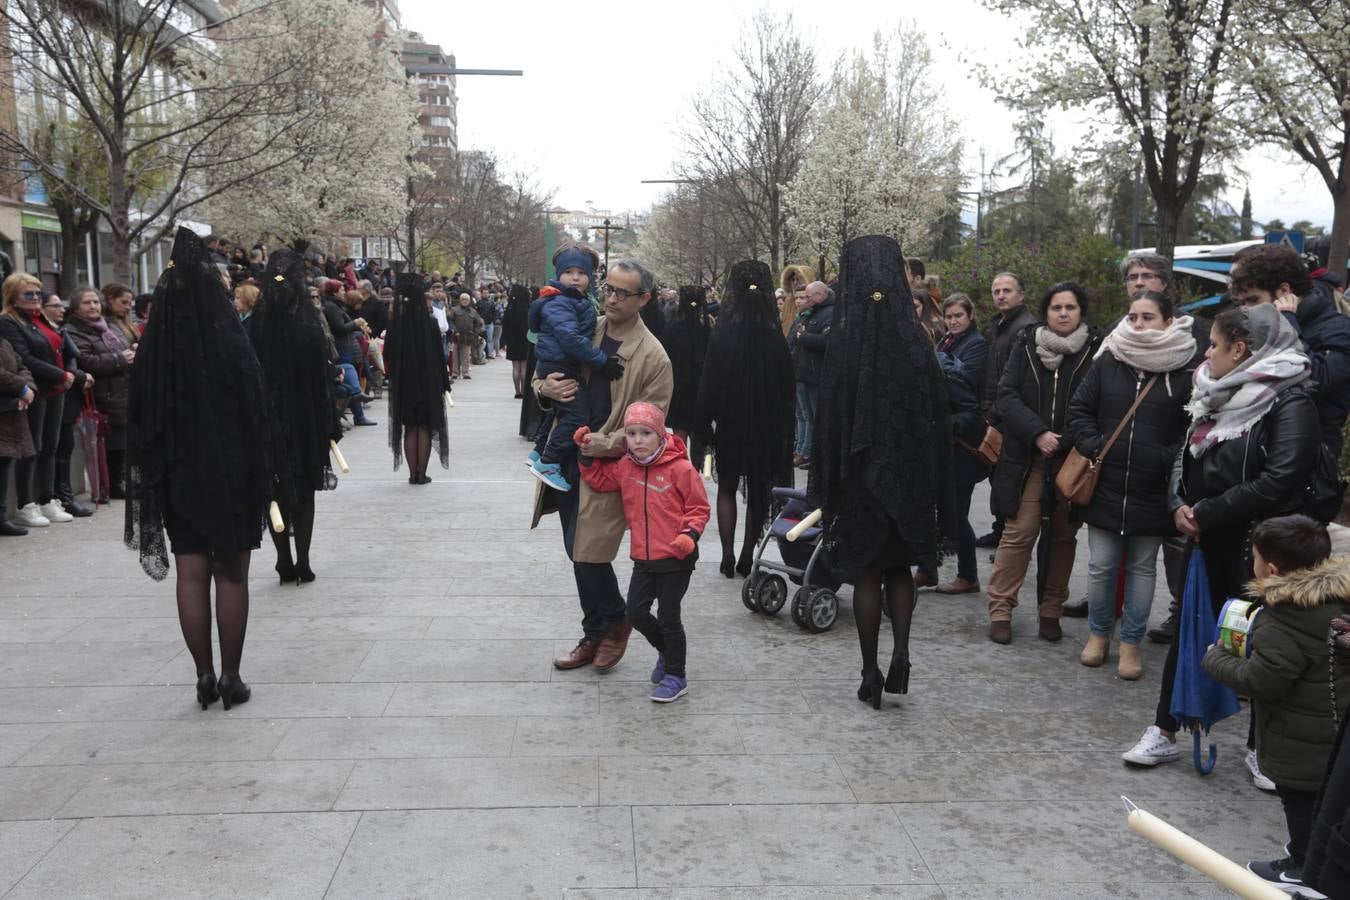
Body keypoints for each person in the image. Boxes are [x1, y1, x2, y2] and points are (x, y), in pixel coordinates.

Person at [1124, 304, 1320, 773]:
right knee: (1193, 631)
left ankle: (1261, 750)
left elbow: (1284, 476)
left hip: (1264, 550)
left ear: (1241, 349)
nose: (1206, 354)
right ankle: (1165, 729)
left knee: (1264, 643)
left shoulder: (1291, 399)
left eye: (1214, 345)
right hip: (1207, 540)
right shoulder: (1213, 392)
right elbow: (1185, 453)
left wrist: (1208, 511)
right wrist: (1178, 504)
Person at [125, 227, 285, 712]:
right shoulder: (229, 340)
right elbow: (257, 408)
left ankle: (203, 675)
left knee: (191, 571)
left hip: (179, 471)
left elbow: (141, 420)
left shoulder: (155, 348)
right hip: (232, 468)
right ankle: (231, 677)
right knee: (230, 571)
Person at [810, 234, 954, 709]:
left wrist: (828, 480)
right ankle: (903, 652)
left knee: (868, 573)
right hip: (908, 476)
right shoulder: (916, 340)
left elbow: (827, 419)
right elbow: (938, 412)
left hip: (858, 481)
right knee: (898, 569)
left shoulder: (844, 343)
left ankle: (870, 669)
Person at [533, 259, 673, 673]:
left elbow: (654, 422)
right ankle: (598, 628)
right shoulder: (584, 326)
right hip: (566, 458)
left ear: (644, 299)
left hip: (608, 466)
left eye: (621, 293)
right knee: (576, 549)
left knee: (588, 552)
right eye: (607, 288)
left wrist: (607, 443)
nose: (609, 298)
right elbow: (543, 374)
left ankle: (613, 622)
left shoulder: (653, 357)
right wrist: (545, 388)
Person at [1201, 515, 1350, 897]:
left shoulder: (1284, 619)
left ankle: (1303, 864)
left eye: (1253, 556)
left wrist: (1216, 659)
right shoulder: (1334, 601)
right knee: (1324, 804)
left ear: (1271, 568)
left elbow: (1262, 680)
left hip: (1301, 739)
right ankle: (1309, 853)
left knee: (1300, 803)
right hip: (1334, 733)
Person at [1067, 292, 1197, 677]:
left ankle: (1131, 644)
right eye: (1133, 317)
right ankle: (1098, 635)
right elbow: (1080, 411)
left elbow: (1193, 426)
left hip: (1153, 489)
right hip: (1106, 483)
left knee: (1142, 569)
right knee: (1101, 567)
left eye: (1148, 317)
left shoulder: (1185, 368)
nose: (1138, 325)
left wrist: (1163, 457)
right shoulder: (1110, 358)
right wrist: (1097, 448)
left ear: (1168, 322)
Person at [984, 282, 1102, 643]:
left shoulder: (1097, 350)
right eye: (1056, 308)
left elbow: (1098, 404)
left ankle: (1052, 609)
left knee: (1064, 537)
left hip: (1072, 460)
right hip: (1027, 456)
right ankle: (1001, 609)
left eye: (1070, 307)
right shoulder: (1026, 343)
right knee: (1019, 533)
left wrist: (1064, 438)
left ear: (1081, 312)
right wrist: (1037, 433)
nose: (1063, 314)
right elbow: (1007, 395)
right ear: (1046, 312)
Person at [576, 401, 711, 702]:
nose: (637, 440)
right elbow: (600, 479)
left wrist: (689, 535)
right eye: (632, 433)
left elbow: (698, 507)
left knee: (668, 617)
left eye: (645, 433)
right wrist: (585, 456)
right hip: (644, 559)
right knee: (636, 613)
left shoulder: (681, 468)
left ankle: (676, 675)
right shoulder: (626, 467)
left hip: (677, 559)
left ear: (660, 434)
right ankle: (666, 651)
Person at [696, 260, 795, 578]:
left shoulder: (722, 337)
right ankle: (747, 554)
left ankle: (726, 552)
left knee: (726, 487)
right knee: (758, 490)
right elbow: (786, 391)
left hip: (730, 422)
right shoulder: (776, 340)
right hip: (766, 427)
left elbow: (708, 384)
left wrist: (705, 426)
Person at [247, 249, 340, 584]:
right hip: (305, 422)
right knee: (304, 492)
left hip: (268, 422)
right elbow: (324, 379)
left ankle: (283, 558)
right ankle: (303, 558)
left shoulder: (253, 327)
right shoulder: (309, 326)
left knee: (273, 490)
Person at [1229, 242, 1350, 457]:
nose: (1247, 310)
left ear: (1284, 291)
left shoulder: (1339, 328)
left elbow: (1318, 381)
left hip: (1308, 459)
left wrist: (1286, 322)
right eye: (1243, 302)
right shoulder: (1262, 325)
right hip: (1258, 451)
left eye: (1254, 300)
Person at [526, 246, 623, 490]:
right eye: (569, 271)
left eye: (582, 272)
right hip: (562, 365)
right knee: (577, 415)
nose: (576, 277)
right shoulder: (560, 301)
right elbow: (570, 339)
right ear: (558, 275)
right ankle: (549, 461)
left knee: (562, 411)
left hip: (560, 363)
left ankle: (539, 450)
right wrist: (601, 361)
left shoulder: (576, 300)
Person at [916, 294, 989, 595]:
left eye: (959, 315)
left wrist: (940, 426)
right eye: (949, 315)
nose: (954, 320)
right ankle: (927, 569)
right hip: (946, 445)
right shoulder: (947, 342)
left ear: (971, 316)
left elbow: (966, 395)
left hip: (962, 446)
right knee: (939, 510)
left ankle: (968, 575)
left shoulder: (975, 345)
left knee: (956, 514)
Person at [0, 273, 79, 527]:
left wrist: (68, 373)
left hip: (54, 389)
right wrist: (61, 374)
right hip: (35, 389)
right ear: (13, 297)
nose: (36, 298)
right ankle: (27, 503)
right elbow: (24, 358)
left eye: (38, 294)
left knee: (50, 446)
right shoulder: (9, 322)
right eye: (29, 294)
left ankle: (47, 498)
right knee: (31, 448)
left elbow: (61, 348)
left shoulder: (38, 319)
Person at [976, 272, 1039, 549]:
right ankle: (999, 529)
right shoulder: (1000, 326)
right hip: (993, 411)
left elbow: (1019, 380)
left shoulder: (1025, 328)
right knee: (997, 477)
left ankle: (1008, 539)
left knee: (1009, 480)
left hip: (1009, 416)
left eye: (1007, 290)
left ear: (1021, 295)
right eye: (996, 291)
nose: (1000, 295)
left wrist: (997, 413)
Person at [65, 285, 134, 504]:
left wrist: (131, 352)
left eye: (95, 301)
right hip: (100, 394)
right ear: (76, 307)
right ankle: (109, 485)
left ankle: (117, 483)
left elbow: (123, 348)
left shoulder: (108, 326)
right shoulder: (72, 330)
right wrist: (119, 360)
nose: (93, 306)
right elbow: (85, 360)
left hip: (122, 390)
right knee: (108, 444)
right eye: (87, 302)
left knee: (121, 442)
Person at [384, 274, 451, 485]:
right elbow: (440, 356)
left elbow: (388, 354)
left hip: (404, 383)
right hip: (428, 382)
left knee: (410, 427)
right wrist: (444, 383)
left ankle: (413, 473)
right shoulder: (430, 324)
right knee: (424, 427)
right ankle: (422, 473)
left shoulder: (395, 325)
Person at [788, 280, 834, 469]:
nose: (804, 300)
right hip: (803, 370)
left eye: (808, 296)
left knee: (813, 416)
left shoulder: (829, 313)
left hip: (815, 373)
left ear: (820, 295)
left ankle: (808, 452)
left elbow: (826, 340)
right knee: (802, 414)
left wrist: (804, 337)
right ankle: (801, 449)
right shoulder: (809, 313)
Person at [0, 326, 36, 535]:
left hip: (11, 410)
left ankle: (1, 517)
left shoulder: (5, 342)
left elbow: (23, 366)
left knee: (4, 464)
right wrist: (22, 388)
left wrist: (28, 389)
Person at [501, 284, 532, 398]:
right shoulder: (528, 309)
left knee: (515, 367)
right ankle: (524, 391)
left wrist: (506, 340)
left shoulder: (510, 309)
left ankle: (517, 391)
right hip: (525, 339)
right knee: (524, 367)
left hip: (513, 340)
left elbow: (505, 325)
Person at [449, 292, 484, 380]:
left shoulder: (473, 311)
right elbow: (450, 321)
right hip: (456, 336)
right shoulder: (454, 310)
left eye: (467, 299)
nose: (465, 301)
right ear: (460, 300)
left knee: (466, 356)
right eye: (463, 299)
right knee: (455, 356)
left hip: (468, 336)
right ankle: (455, 373)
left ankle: (466, 372)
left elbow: (479, 323)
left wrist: (475, 332)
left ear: (469, 301)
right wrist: (454, 331)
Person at [779, 264, 814, 338]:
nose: (795, 282)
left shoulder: (814, 301)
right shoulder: (788, 301)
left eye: (798, 279)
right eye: (793, 279)